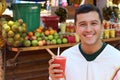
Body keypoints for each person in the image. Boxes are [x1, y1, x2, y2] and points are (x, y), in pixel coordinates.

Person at [48, 4, 120, 80]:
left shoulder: (117, 59)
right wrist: (54, 78)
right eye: (82, 24)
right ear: (75, 28)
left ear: (102, 26)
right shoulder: (67, 57)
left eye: (93, 23)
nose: (88, 29)